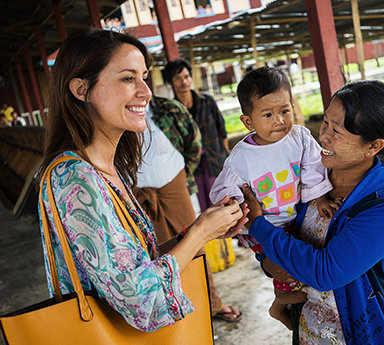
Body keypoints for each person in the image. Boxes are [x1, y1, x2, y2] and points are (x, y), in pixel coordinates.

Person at [36, 28, 247, 332]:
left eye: (144, 77)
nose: (146, 91)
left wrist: (202, 228)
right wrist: (199, 234)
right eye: (127, 78)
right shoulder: (74, 177)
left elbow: (132, 266)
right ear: (82, 90)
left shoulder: (107, 168)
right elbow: (138, 299)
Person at [243, 80, 384, 344]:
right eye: (325, 123)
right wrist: (267, 261)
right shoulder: (311, 174)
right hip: (310, 327)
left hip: (363, 332)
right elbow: (283, 227)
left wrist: (258, 226)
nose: (324, 137)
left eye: (337, 132)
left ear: (373, 146)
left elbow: (325, 271)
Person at [210, 67, 335, 330]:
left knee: (301, 266)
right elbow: (222, 191)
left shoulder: (299, 137)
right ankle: (281, 304)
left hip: (294, 219)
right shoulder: (242, 157)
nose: (279, 120)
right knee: (284, 269)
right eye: (268, 114)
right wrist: (239, 208)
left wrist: (321, 197)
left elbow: (313, 167)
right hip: (261, 227)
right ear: (248, 121)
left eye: (284, 111)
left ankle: (282, 304)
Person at [135, 95, 242, 322]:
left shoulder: (167, 109)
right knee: (156, 254)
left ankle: (211, 303)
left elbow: (193, 142)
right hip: (135, 194)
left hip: (175, 184)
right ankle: (176, 315)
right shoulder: (111, 120)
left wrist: (184, 176)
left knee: (194, 244)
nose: (140, 88)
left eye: (143, 76)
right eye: (127, 77)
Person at [163, 59, 229, 211]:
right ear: (170, 83)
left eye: (186, 77)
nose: (183, 82)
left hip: (215, 161)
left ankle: (230, 234)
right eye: (178, 78)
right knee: (206, 207)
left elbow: (222, 131)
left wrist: (225, 158)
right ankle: (217, 235)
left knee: (223, 202)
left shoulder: (207, 101)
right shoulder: (172, 111)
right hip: (194, 166)